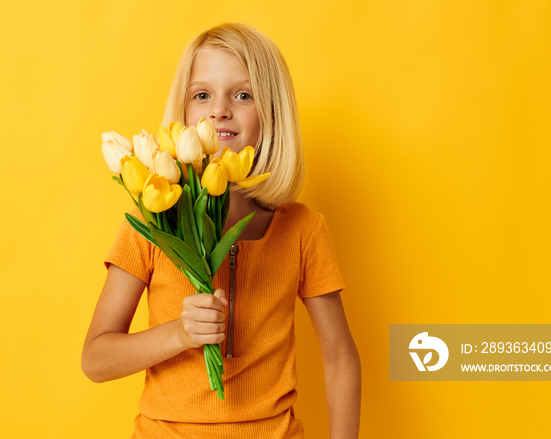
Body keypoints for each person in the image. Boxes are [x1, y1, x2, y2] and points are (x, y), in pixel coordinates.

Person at [82, 23, 361, 438]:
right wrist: (178, 333)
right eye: (202, 95)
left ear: (272, 115)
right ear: (184, 114)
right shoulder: (151, 225)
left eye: (243, 95)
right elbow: (96, 360)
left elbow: (339, 356)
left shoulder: (302, 229)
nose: (219, 110)